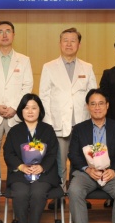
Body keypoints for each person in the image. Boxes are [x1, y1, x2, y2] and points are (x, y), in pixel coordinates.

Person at [67, 89, 115, 223]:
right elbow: (73, 154)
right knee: (74, 190)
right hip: (86, 173)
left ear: (107, 105)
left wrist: (114, 170)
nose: (97, 107)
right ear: (87, 107)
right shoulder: (79, 129)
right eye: (93, 104)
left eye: (101, 103)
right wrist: (87, 169)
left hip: (111, 173)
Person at [40, 27, 98, 182]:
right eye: (65, 41)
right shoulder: (49, 67)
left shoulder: (87, 67)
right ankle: (59, 193)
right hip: (57, 124)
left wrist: (92, 122)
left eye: (73, 41)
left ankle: (76, 192)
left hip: (82, 123)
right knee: (59, 164)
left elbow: (93, 97)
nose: (69, 44)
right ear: (60, 43)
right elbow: (44, 97)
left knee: (81, 163)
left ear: (79, 44)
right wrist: (48, 123)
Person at [0, 21, 33, 179]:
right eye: (0, 31)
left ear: (13, 35)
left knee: (17, 153)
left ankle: (14, 185)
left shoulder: (24, 60)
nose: (4, 35)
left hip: (15, 115)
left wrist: (15, 107)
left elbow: (27, 86)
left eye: (8, 31)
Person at [2, 94, 59, 223]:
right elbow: (8, 153)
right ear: (21, 111)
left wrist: (42, 167)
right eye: (26, 108)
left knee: (38, 192)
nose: (30, 111)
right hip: (21, 172)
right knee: (20, 193)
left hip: (43, 172)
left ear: (40, 110)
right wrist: (21, 166)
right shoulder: (14, 131)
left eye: (34, 108)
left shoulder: (47, 129)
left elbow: (53, 153)